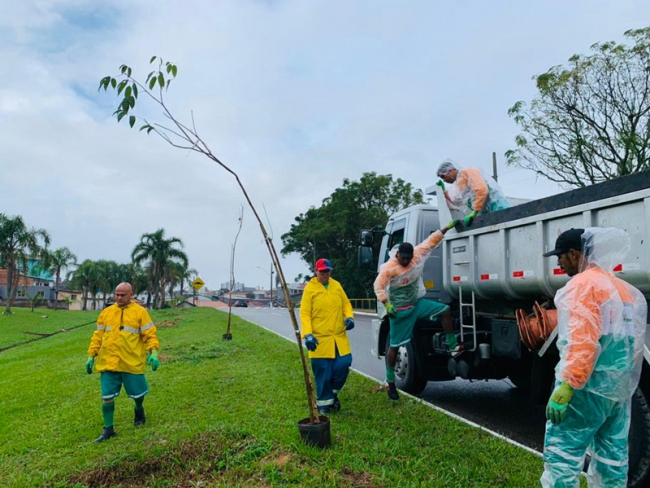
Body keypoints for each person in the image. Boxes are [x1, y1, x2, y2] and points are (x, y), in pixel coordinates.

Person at [541, 228, 647, 487]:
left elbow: (583, 341)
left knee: (562, 456)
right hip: (617, 390)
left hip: (586, 388)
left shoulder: (582, 286)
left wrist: (568, 385)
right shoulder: (622, 290)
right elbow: (632, 344)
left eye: (561, 256)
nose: (559, 262)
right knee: (612, 459)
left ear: (575, 254)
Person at [374, 220, 460, 401]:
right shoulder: (389, 268)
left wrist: (448, 227)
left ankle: (453, 346)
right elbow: (378, 287)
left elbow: (432, 241)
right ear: (397, 255)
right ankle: (390, 382)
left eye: (408, 258)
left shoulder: (417, 255)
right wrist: (387, 304)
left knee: (444, 310)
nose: (406, 261)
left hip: (417, 304)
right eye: (403, 258)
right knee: (395, 346)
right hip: (398, 310)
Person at [86, 282, 160, 442]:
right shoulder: (106, 313)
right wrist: (91, 355)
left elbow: (150, 334)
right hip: (108, 361)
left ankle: (138, 408)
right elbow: (97, 336)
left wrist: (153, 352)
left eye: (123, 295)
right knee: (107, 396)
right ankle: (108, 429)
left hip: (131, 362)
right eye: (117, 294)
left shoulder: (140, 313)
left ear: (131, 295)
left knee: (138, 394)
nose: (119, 298)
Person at [300, 258, 355, 416]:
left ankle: (332, 394)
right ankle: (324, 404)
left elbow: (346, 304)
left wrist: (349, 317)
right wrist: (308, 334)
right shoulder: (310, 289)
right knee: (323, 373)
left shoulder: (336, 285)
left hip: (338, 337)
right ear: (316, 271)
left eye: (328, 271)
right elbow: (305, 314)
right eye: (322, 271)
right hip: (319, 340)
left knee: (343, 365)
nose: (325, 274)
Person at [435, 160, 511, 226]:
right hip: (486, 214)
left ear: (450, 171)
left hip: (497, 207)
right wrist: (443, 191)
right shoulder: (457, 184)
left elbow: (481, 190)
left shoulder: (467, 172)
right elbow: (455, 200)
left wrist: (475, 212)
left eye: (443, 176)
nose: (444, 180)